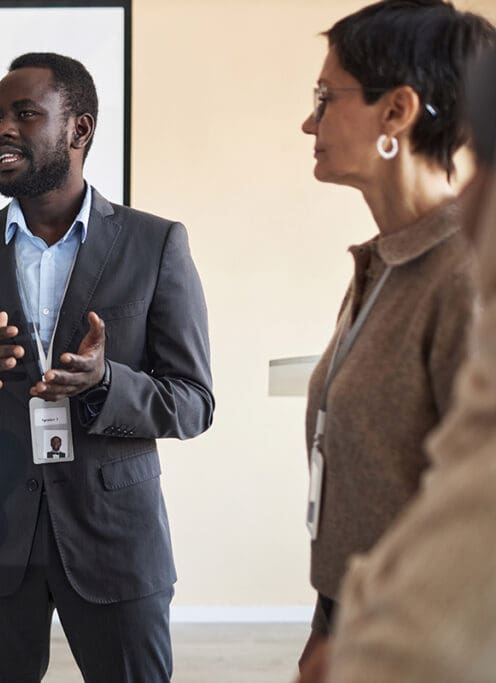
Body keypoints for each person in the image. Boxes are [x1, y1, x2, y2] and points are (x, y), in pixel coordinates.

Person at [0, 52, 213, 682]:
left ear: (80, 129)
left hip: (117, 541)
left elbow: (193, 402)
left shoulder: (155, 244)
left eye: (25, 113)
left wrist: (106, 384)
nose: (1, 129)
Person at [297, 0, 495, 669]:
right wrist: (329, 621)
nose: (308, 121)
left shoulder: (462, 279)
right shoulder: (380, 261)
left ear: (397, 111)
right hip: (350, 614)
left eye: (326, 97)